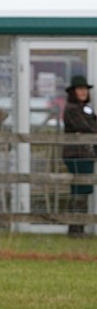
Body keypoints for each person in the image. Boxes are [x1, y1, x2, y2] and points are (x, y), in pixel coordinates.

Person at [62, 74, 96, 237]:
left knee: (81, 188)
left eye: (84, 89)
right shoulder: (72, 109)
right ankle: (75, 228)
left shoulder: (86, 108)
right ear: (73, 92)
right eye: (79, 89)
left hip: (86, 153)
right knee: (81, 188)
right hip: (76, 153)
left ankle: (77, 228)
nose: (83, 92)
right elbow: (87, 127)